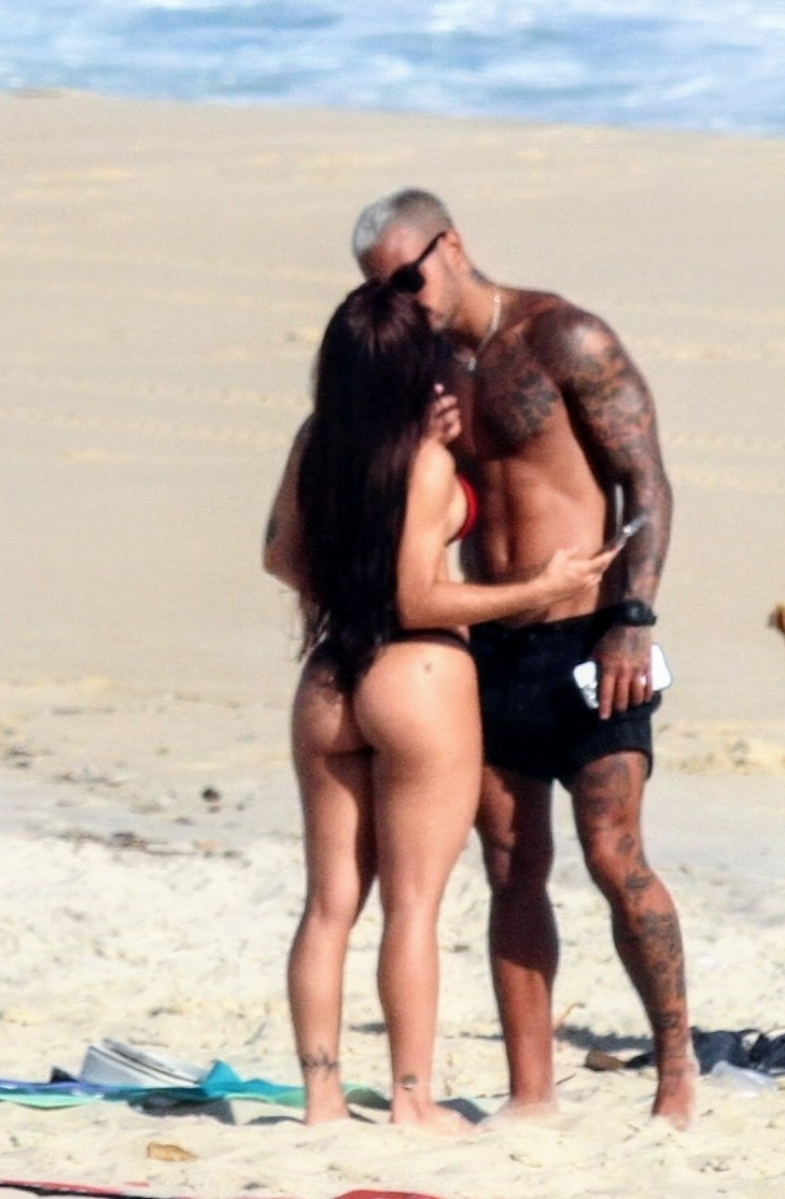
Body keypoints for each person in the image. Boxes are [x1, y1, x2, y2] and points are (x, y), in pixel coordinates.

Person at [351, 188, 696, 1129]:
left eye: (408, 279)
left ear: (452, 245)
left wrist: (633, 618)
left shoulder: (564, 338)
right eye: (380, 291)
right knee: (511, 866)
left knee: (614, 854)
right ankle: (531, 1091)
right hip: (488, 642)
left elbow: (648, 484)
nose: (401, 301)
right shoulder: (419, 372)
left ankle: (676, 1070)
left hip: (593, 638)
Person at [263, 281, 616, 1129]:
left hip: (329, 676)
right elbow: (420, 597)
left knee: (327, 906)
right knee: (412, 906)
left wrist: (350, 588)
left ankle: (322, 1097)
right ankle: (412, 1099)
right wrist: (538, 589)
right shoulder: (423, 462)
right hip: (418, 677)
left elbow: (280, 555)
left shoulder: (317, 441)